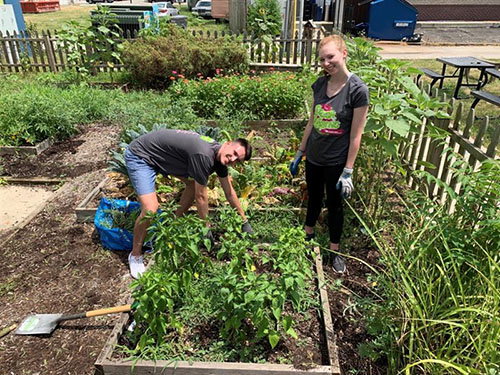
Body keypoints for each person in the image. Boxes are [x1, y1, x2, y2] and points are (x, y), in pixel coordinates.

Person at [125, 128, 253, 278]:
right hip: (142, 156)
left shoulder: (220, 157)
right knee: (150, 209)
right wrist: (206, 228)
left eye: (238, 160)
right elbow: (201, 197)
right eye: (235, 154)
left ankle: (172, 226)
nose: (233, 159)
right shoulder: (204, 155)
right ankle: (135, 254)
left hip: (163, 157)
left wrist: (244, 221)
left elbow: (229, 192)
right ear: (228, 143)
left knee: (192, 186)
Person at [289, 34, 369, 273]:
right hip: (314, 156)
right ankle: (308, 236)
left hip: (336, 162)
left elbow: (356, 135)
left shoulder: (357, 90)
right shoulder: (320, 85)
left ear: (344, 53)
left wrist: (348, 171)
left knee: (334, 206)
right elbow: (312, 121)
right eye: (322, 59)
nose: (326, 63)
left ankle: (335, 251)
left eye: (330, 57)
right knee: (313, 197)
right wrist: (300, 151)